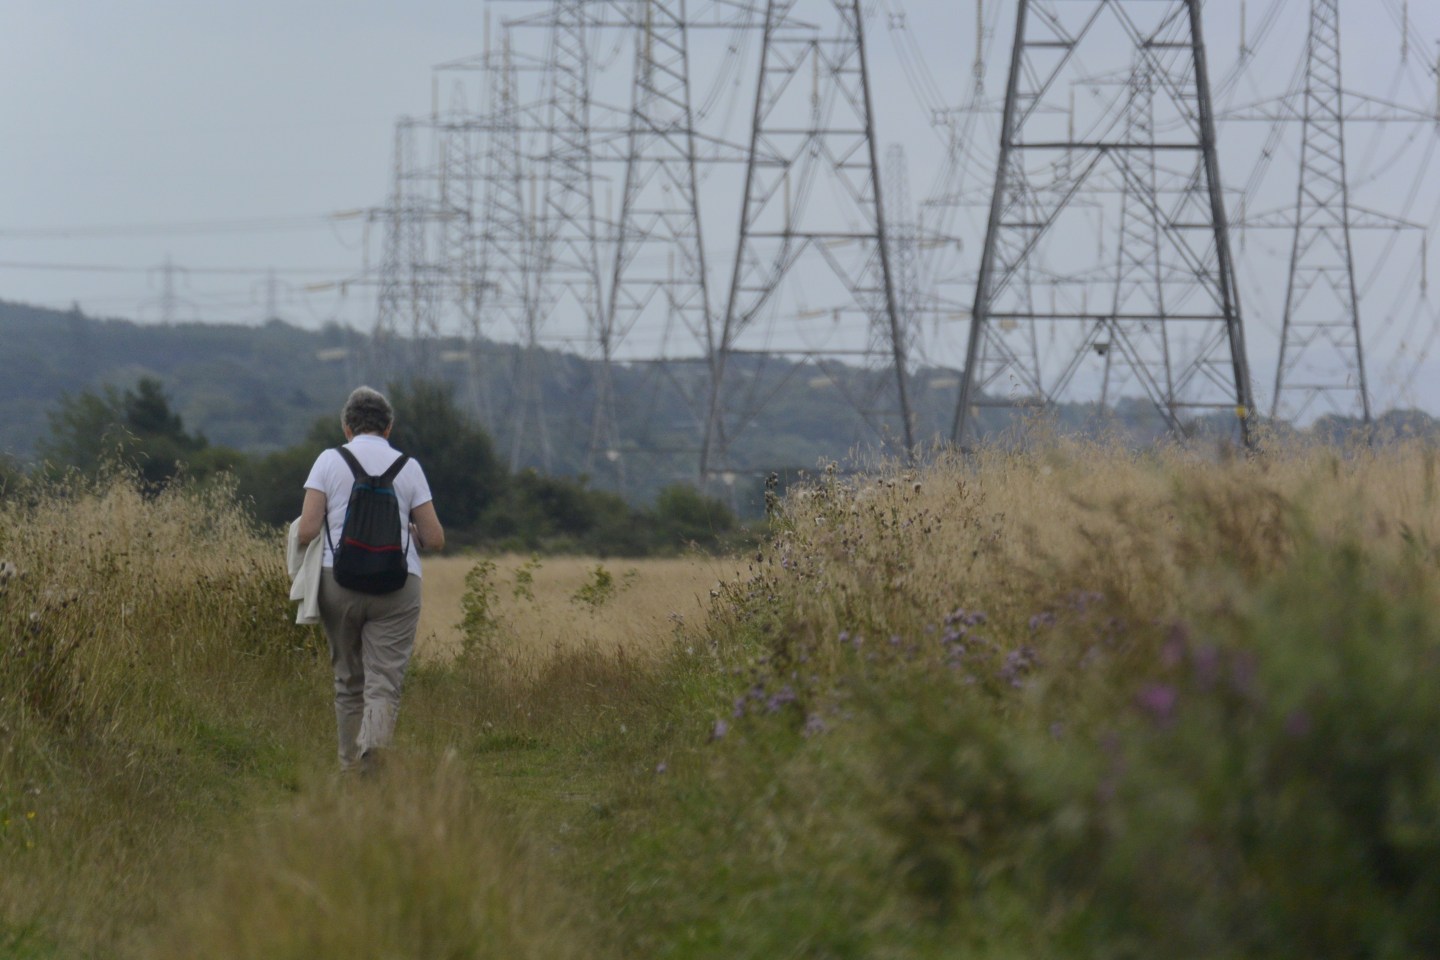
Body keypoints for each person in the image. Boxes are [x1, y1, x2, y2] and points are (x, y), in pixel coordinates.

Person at [297, 386, 444, 772]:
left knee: (348, 680)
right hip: (398, 585)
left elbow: (307, 530)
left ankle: (350, 770)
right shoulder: (409, 467)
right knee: (384, 679)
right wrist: (408, 530)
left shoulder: (328, 461)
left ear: (346, 427)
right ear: (388, 427)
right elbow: (435, 539)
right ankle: (373, 755)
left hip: (338, 581)